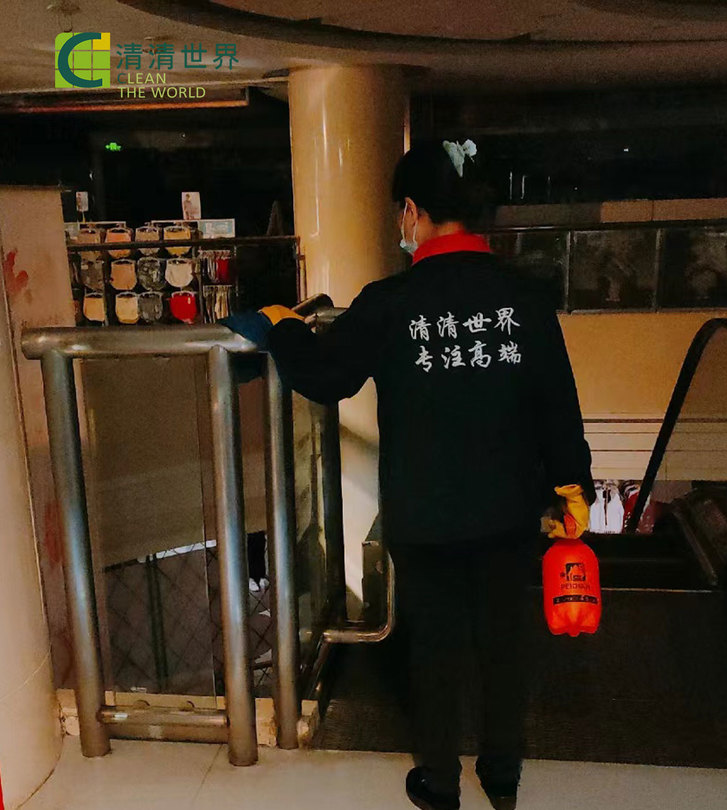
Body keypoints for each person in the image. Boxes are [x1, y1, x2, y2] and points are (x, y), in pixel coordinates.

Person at [221, 139, 595, 810]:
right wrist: (572, 487)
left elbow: (326, 376)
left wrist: (281, 328)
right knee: (505, 644)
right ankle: (502, 774)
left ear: (414, 211)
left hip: (425, 516)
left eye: (402, 211)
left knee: (435, 650)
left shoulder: (390, 302)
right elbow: (556, 404)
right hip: (511, 509)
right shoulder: (524, 298)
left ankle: (439, 782)